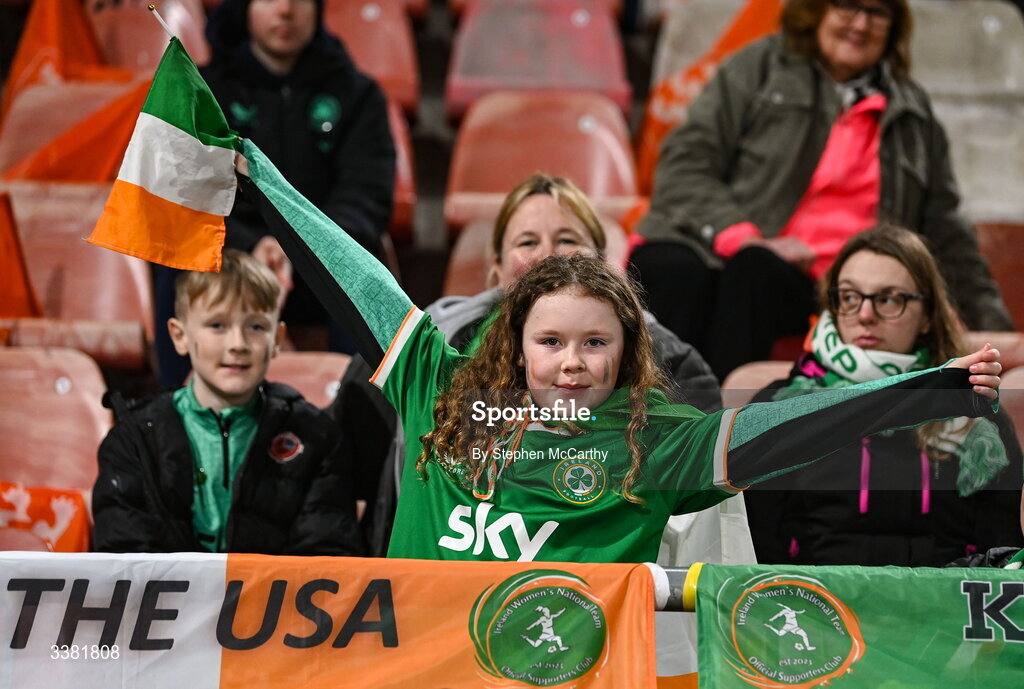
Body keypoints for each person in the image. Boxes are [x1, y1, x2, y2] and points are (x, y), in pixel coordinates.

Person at [236, 142, 1003, 563]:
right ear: (515, 342)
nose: (572, 362)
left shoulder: (660, 437)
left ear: (628, 349)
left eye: (595, 343)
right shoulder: (441, 389)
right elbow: (356, 276)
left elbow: (797, 429)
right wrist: (259, 174)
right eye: (552, 341)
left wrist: (932, 387)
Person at [330, 173, 722, 555]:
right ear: (496, 265)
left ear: (605, 265)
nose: (548, 255)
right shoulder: (434, 348)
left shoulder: (672, 359)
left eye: (567, 239)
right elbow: (352, 478)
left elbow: (697, 489)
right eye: (527, 241)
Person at [630, 0, 1012, 381]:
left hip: (834, 282)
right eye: (847, 7)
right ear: (816, 11)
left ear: (893, 27)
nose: (860, 25)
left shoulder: (913, 112)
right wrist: (744, 238)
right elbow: (684, 162)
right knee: (667, 264)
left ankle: (724, 425)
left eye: (877, 13)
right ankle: (642, 416)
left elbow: (946, 231)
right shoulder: (760, 67)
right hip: (738, 249)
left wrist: (997, 330)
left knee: (755, 273)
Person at [744, 226, 1023, 567]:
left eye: (889, 299)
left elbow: (1001, 554)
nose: (865, 315)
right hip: (817, 608)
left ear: (927, 316)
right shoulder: (781, 406)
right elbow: (754, 550)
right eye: (849, 297)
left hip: (940, 610)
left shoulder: (976, 411)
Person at [153, 0, 396, 386]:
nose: (286, 10)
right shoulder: (201, 90)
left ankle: (357, 418)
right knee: (174, 261)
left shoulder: (358, 95)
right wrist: (251, 246)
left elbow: (366, 199)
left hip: (320, 260)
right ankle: (176, 413)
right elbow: (185, 193)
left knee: (362, 274)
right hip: (227, 256)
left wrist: (295, 243)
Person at [93, 249, 364, 555]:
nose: (237, 344)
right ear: (179, 336)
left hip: (271, 603)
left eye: (257, 327)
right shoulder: (134, 439)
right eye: (217, 325)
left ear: (277, 338)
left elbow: (325, 556)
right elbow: (123, 559)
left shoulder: (315, 438)